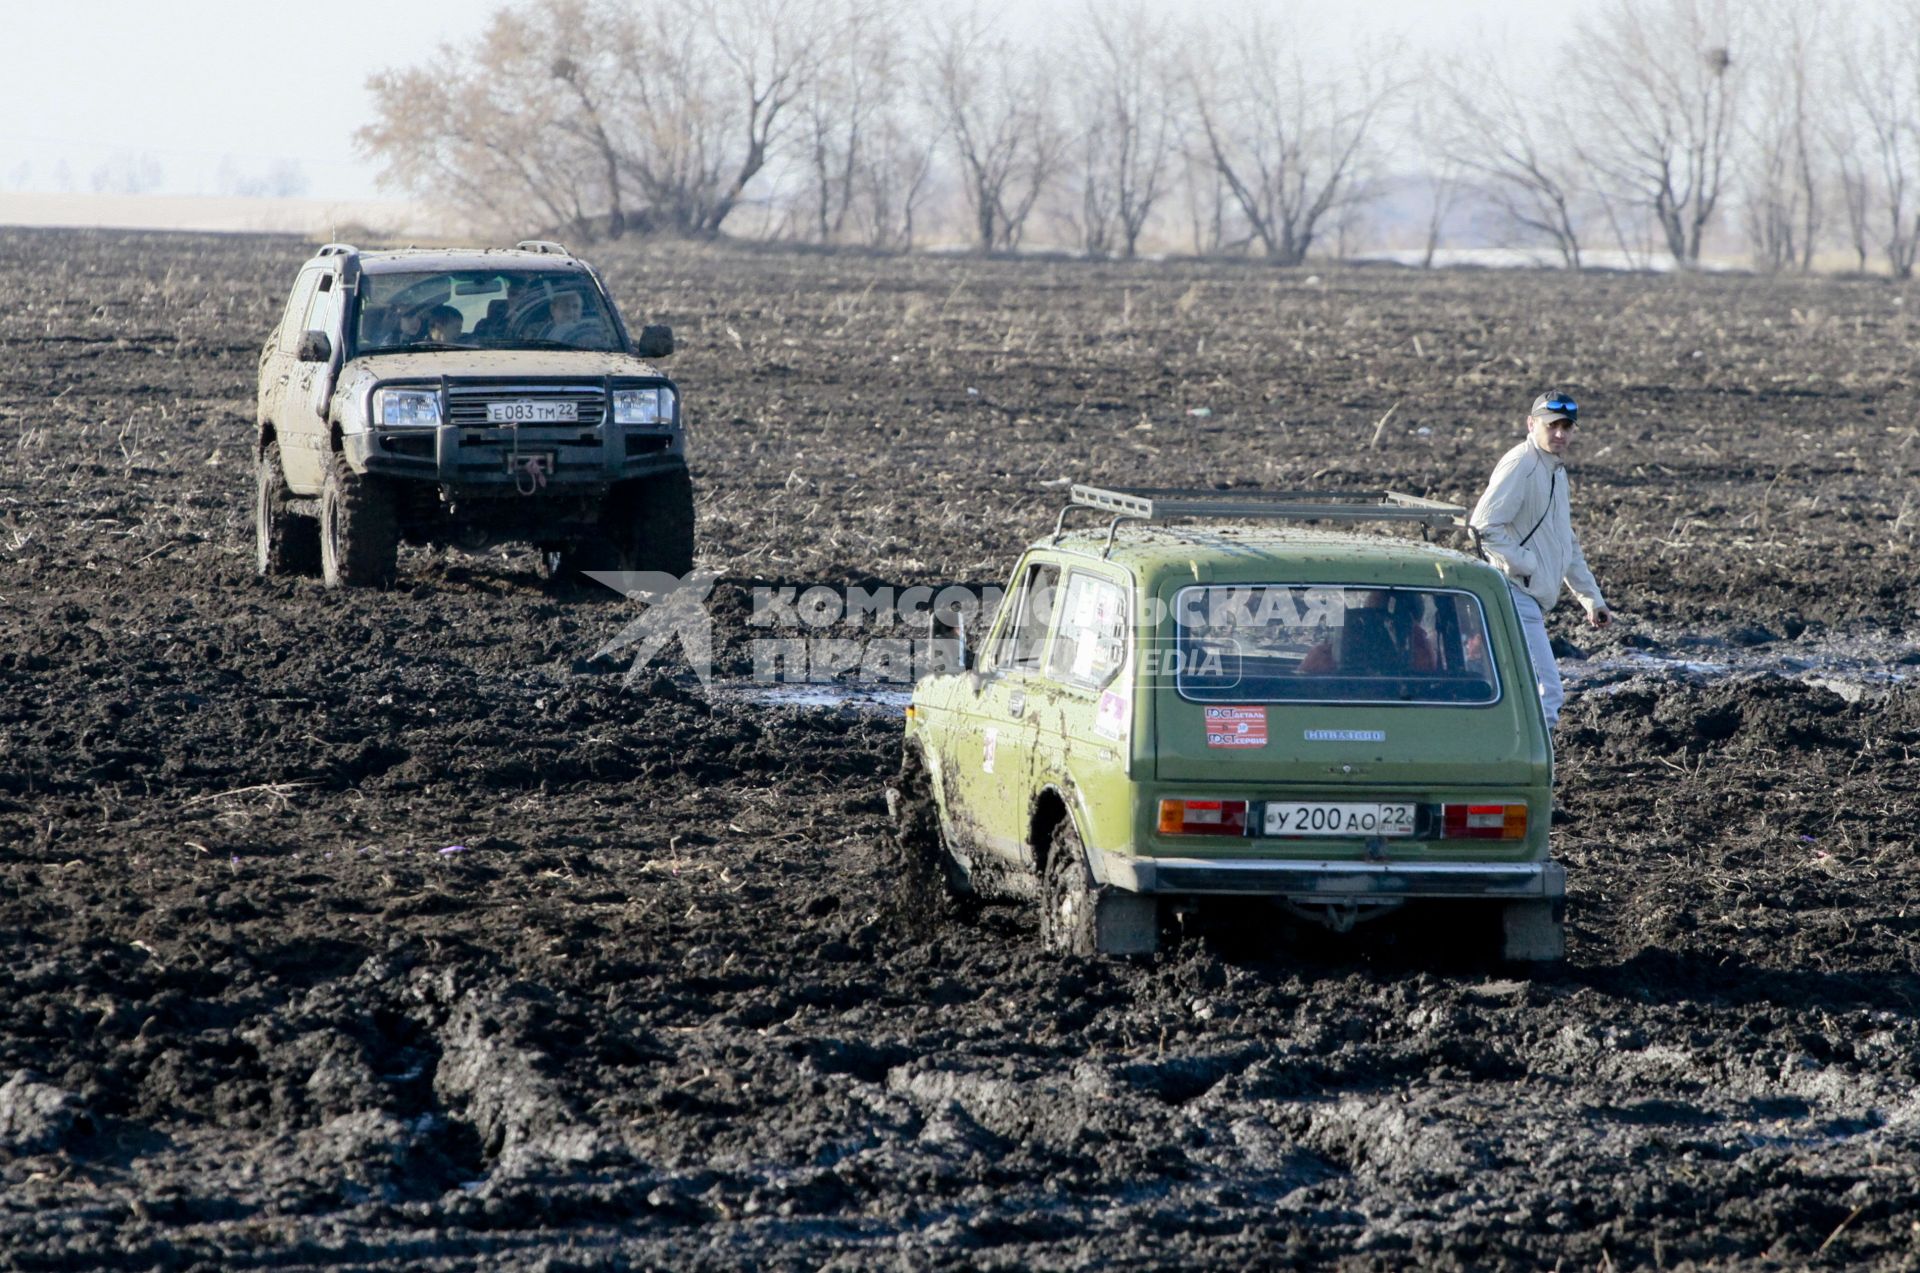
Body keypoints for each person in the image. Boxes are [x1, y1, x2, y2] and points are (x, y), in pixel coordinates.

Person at [1469, 390, 1611, 728]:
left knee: (1512, 690)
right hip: (1515, 593)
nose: (1560, 434)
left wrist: (1591, 599)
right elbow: (1482, 527)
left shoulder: (1555, 470)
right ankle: (1534, 768)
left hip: (1529, 595)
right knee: (1547, 692)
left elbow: (1566, 543)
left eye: (1567, 426)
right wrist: (1524, 565)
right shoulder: (1522, 464)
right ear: (1531, 424)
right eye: (1552, 426)